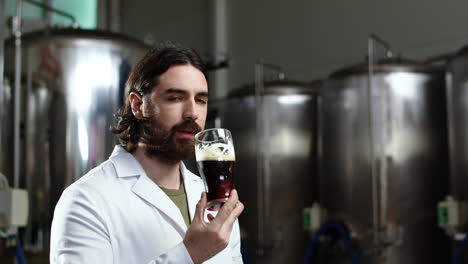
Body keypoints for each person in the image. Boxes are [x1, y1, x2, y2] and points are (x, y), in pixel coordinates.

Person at [50, 44, 244, 263]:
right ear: (137, 105)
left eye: (200, 100)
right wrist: (190, 254)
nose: (192, 113)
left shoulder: (212, 195)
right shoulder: (86, 201)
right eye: (175, 98)